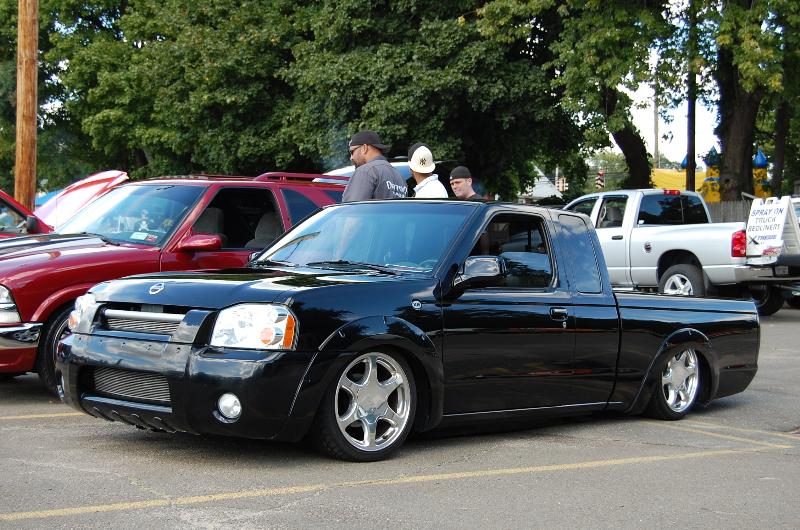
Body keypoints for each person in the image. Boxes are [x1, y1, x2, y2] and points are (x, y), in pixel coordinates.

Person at [342, 130, 408, 202]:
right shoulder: (400, 176)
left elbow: (352, 207)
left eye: (352, 152)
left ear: (364, 148)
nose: (351, 158)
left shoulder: (365, 171)